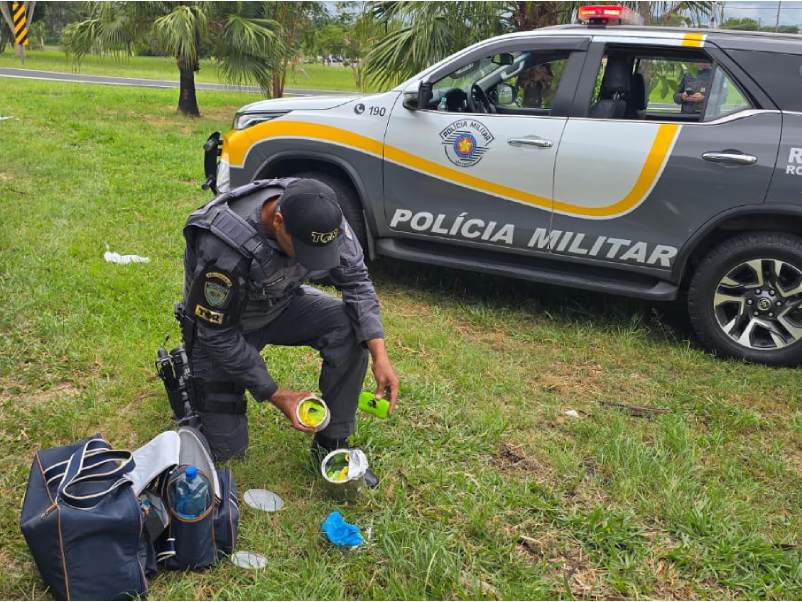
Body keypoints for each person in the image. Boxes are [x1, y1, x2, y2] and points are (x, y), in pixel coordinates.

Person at [180, 177, 400, 487]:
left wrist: (380, 354)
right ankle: (192, 373)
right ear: (279, 221)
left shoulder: (322, 214)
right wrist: (275, 393)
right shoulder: (224, 246)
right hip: (226, 330)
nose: (308, 261)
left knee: (349, 326)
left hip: (280, 304)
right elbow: (217, 335)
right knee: (227, 450)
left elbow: (356, 281)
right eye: (303, 251)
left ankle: (331, 442)